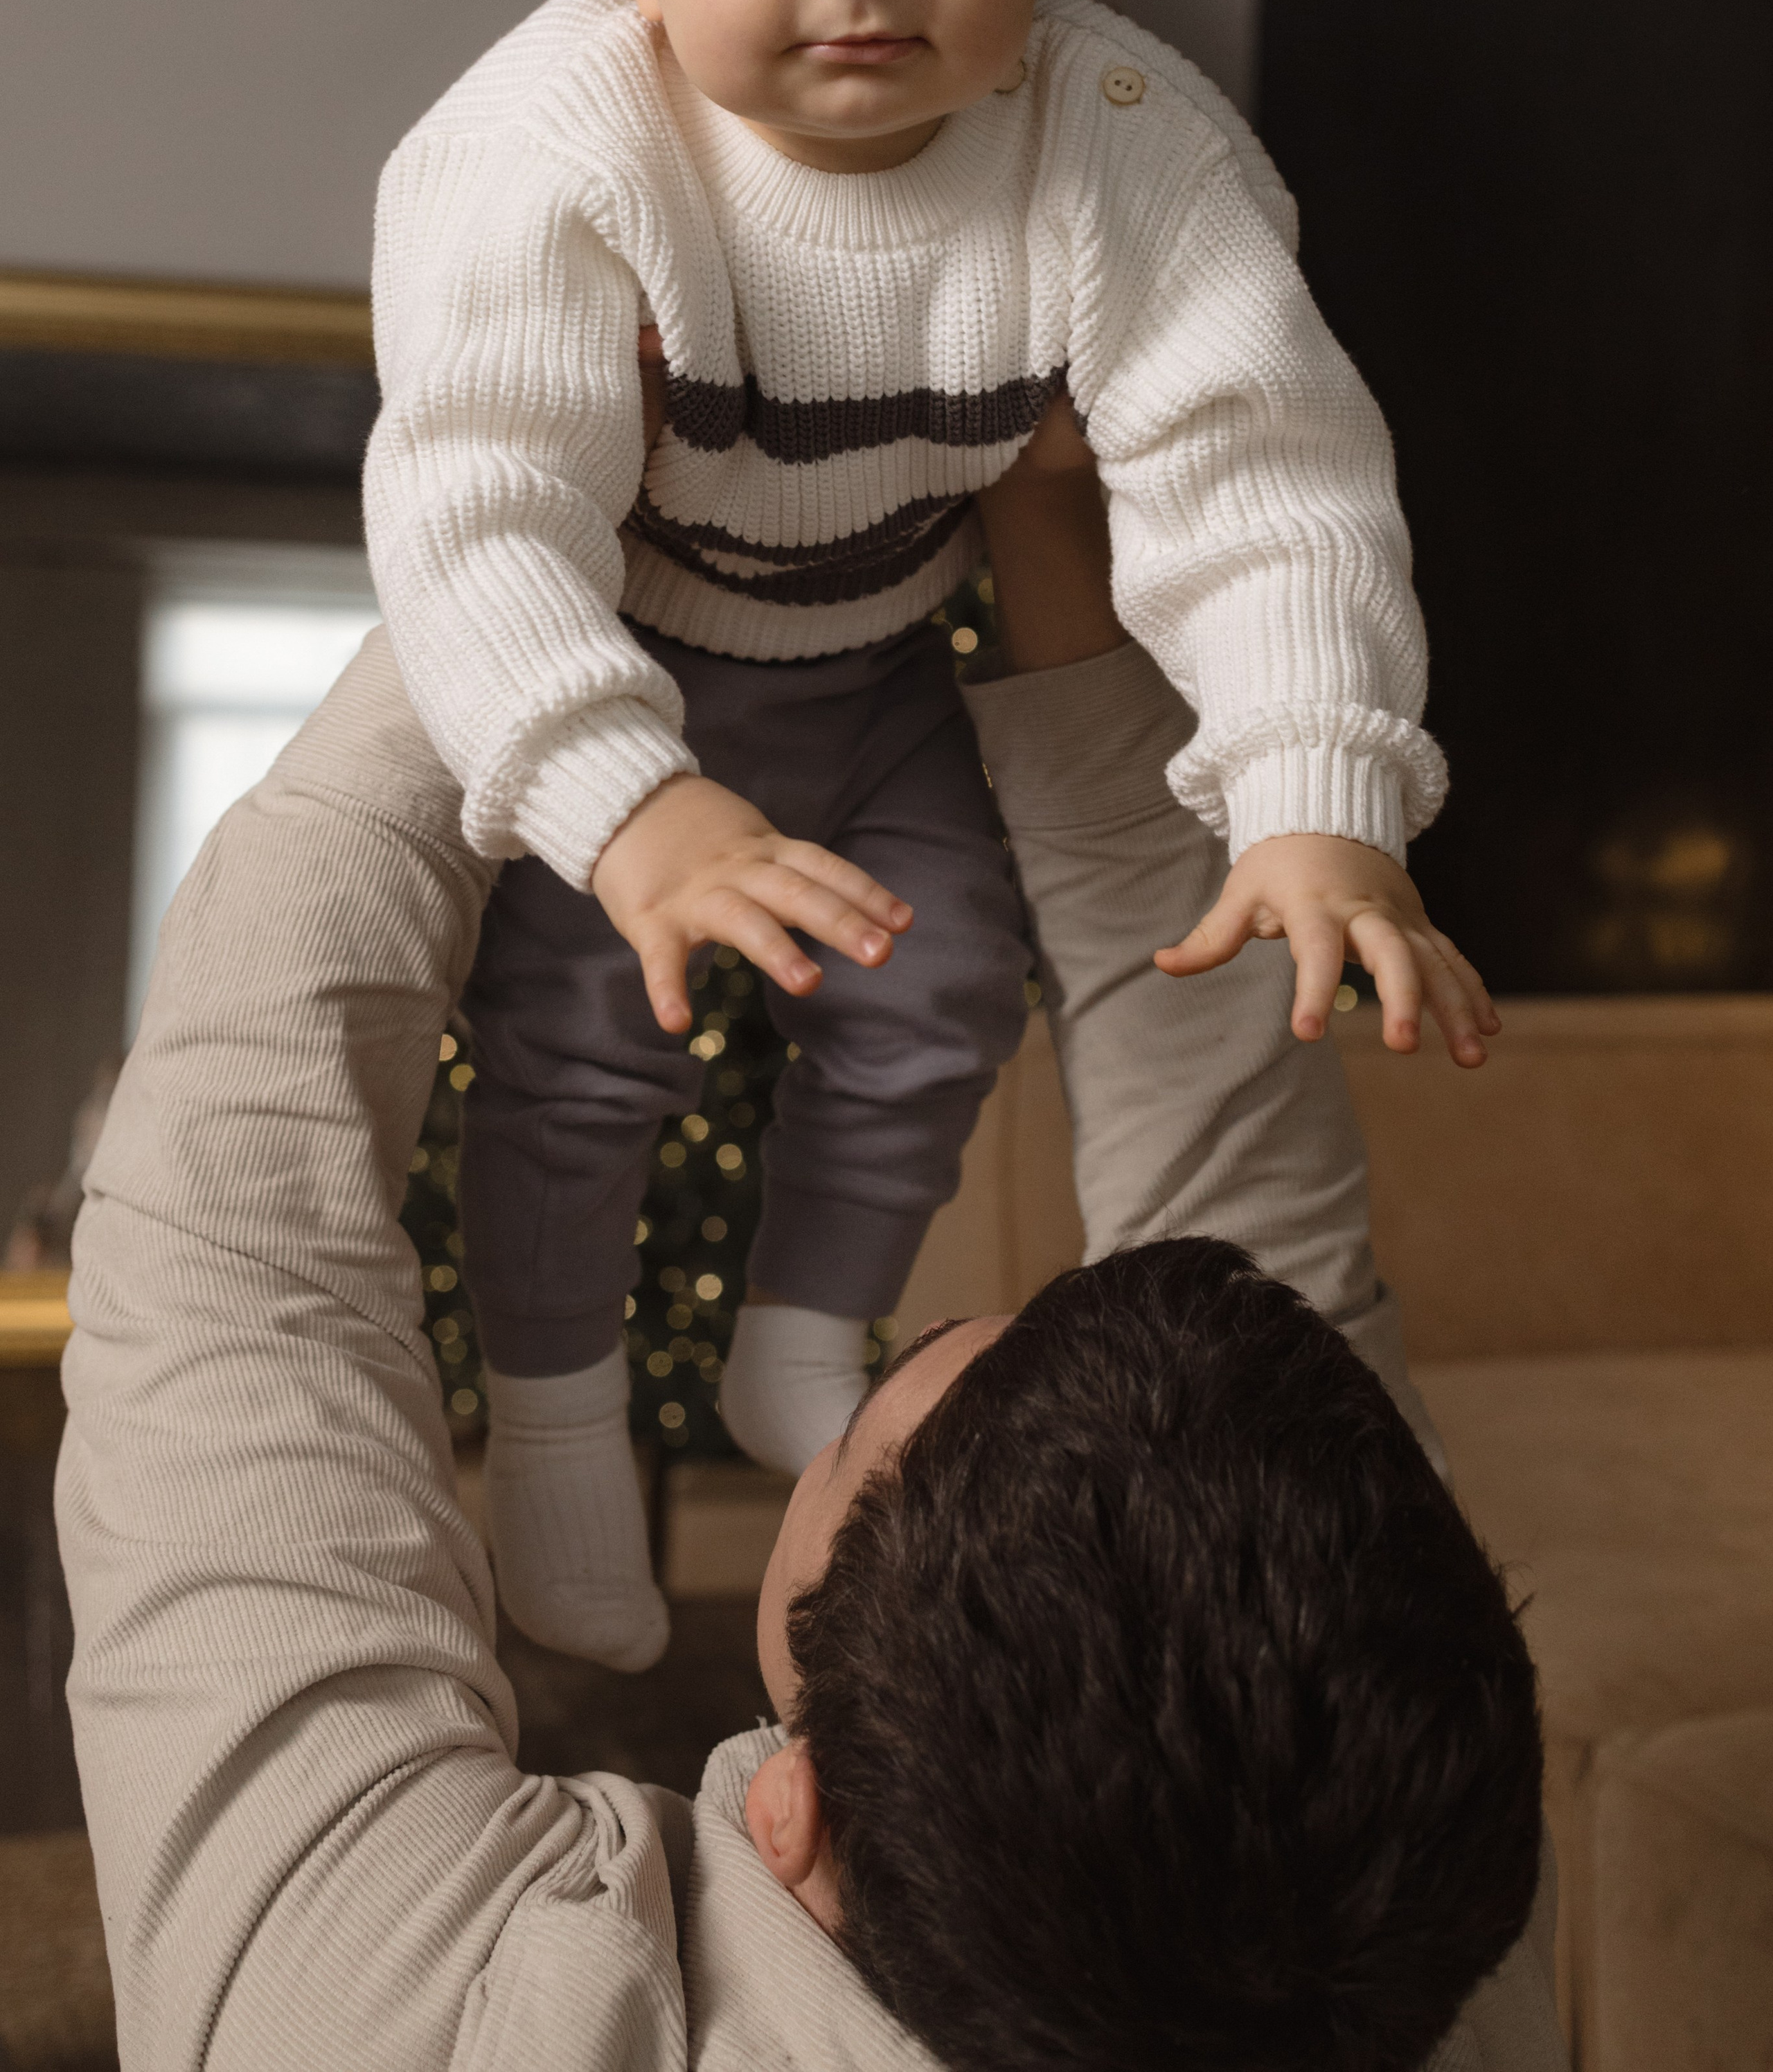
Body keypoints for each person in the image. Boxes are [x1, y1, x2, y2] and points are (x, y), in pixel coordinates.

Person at [362, 0, 1494, 1663]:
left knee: (950, 974)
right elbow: (475, 511)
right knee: (590, 1043)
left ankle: (804, 1325)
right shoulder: (548, 161)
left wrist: (1317, 793)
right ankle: (561, 1411)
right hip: (646, 664)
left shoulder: (1121, 141)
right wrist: (632, 803)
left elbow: (1263, 473)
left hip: (879, 660)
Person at [57, 629, 1562, 2071]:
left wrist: (517, 596)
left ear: (798, 1813)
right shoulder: (1405, 1927)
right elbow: (1245, 1175)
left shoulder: (385, 2025)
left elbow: (228, 1242)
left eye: (850, 1438)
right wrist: (1063, 581)